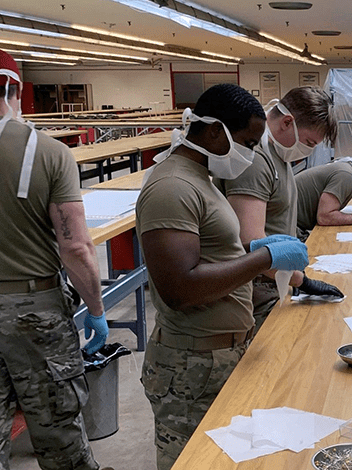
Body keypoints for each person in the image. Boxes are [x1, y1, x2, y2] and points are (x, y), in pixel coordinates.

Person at [136, 84, 309, 469]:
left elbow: (212, 255)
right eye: (247, 142)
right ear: (215, 131)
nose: (250, 154)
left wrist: (254, 254)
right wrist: (264, 257)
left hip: (218, 355)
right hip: (190, 365)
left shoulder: (203, 180)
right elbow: (180, 287)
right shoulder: (173, 187)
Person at [0, 51, 110, 470]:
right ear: (14, 89)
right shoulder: (45, 152)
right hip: (34, 314)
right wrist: (96, 309)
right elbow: (76, 247)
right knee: (57, 431)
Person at [215, 86, 343, 331]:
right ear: (287, 122)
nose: (308, 150)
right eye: (308, 142)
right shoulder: (255, 161)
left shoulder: (278, 156)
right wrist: (301, 280)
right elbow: (250, 244)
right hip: (257, 291)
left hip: (276, 280)